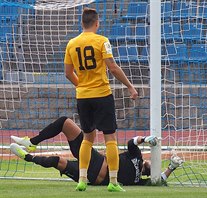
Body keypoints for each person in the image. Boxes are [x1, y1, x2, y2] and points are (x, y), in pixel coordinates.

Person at [64, 8, 138, 192]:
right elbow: (112, 67)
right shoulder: (102, 41)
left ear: (82, 23)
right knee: (110, 138)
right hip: (102, 95)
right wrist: (130, 86)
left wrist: (81, 86)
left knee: (87, 138)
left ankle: (82, 180)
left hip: (83, 97)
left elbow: (67, 73)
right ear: (97, 23)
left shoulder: (71, 43)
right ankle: (113, 181)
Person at [10, 117, 184, 186]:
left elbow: (159, 180)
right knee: (66, 123)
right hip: (95, 161)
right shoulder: (136, 157)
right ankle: (31, 146)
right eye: (154, 161)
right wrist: (146, 139)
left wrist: (172, 167)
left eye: (155, 166)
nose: (153, 163)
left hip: (91, 178)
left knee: (58, 162)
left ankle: (27, 157)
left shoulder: (141, 181)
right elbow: (133, 142)